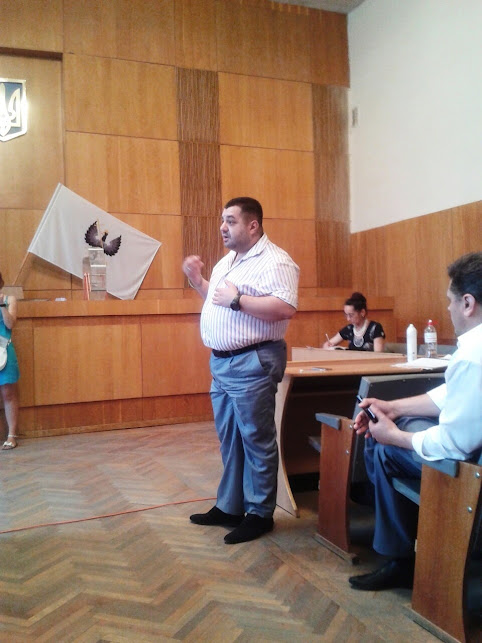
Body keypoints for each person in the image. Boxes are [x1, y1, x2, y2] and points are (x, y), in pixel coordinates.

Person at [349, 252, 482, 591]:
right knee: (403, 422)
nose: (448, 308)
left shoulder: (472, 356)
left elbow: (453, 446)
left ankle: (401, 559)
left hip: (471, 476)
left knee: (382, 448)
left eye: (450, 301)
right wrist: (393, 409)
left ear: (468, 303)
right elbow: (452, 395)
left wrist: (392, 435)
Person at [182, 197, 299, 544]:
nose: (223, 227)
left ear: (253, 225)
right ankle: (230, 507)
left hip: (252, 360)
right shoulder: (229, 260)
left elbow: (285, 307)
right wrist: (197, 280)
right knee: (231, 439)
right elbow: (215, 298)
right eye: (223, 220)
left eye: (231, 221)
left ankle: (260, 514)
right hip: (222, 363)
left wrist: (238, 300)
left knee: (256, 439)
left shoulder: (276, 261)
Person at [0, 272, 20, 450]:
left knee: (8, 393)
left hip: (4, 350)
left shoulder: (9, 299)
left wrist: (1, 305)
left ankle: (11, 435)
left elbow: (10, 324)